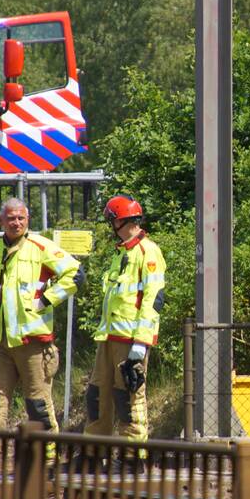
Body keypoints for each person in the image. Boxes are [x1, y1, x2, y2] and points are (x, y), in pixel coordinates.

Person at [0, 197, 81, 474]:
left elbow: (75, 274)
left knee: (38, 403)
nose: (16, 223)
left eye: (21, 218)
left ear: (27, 220)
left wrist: (46, 300)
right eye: (11, 218)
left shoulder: (40, 247)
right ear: (1, 221)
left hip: (33, 343)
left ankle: (47, 461)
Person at [75, 195, 166, 474]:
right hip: (110, 338)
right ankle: (92, 454)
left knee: (129, 397)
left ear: (121, 221)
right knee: (97, 395)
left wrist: (140, 346)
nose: (111, 225)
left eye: (112, 220)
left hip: (131, 342)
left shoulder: (147, 252)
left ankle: (131, 459)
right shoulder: (122, 253)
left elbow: (153, 300)